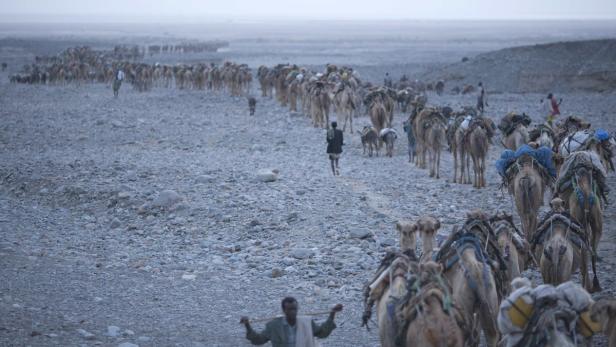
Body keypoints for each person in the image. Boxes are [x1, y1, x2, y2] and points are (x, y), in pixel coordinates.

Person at [240, 297, 343, 347]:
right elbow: (259, 340)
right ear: (284, 310)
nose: (293, 312)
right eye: (290, 309)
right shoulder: (274, 326)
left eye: (295, 309)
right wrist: (248, 325)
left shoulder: (306, 323)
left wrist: (332, 314)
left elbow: (322, 333)